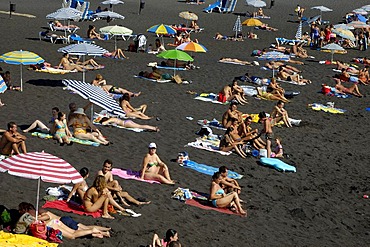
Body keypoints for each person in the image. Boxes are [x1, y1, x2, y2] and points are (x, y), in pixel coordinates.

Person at [18, 202, 111, 239]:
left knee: (74, 235)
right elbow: (47, 216)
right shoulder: (37, 210)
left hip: (55, 223)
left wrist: (36, 218)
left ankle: (94, 231)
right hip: (60, 220)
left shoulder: (30, 214)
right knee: (82, 228)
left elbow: (46, 217)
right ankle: (104, 230)